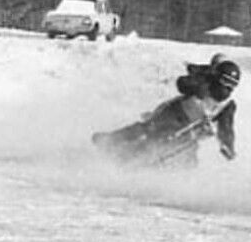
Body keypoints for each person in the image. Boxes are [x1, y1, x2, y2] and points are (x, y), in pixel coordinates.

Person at [93, 55, 241, 163]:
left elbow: (226, 127)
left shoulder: (227, 105)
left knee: (189, 158)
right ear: (216, 77)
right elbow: (182, 83)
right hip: (174, 113)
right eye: (225, 82)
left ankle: (169, 181)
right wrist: (197, 87)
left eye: (232, 86)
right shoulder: (204, 82)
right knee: (149, 129)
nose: (227, 89)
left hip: (190, 131)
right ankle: (111, 140)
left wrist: (228, 146)